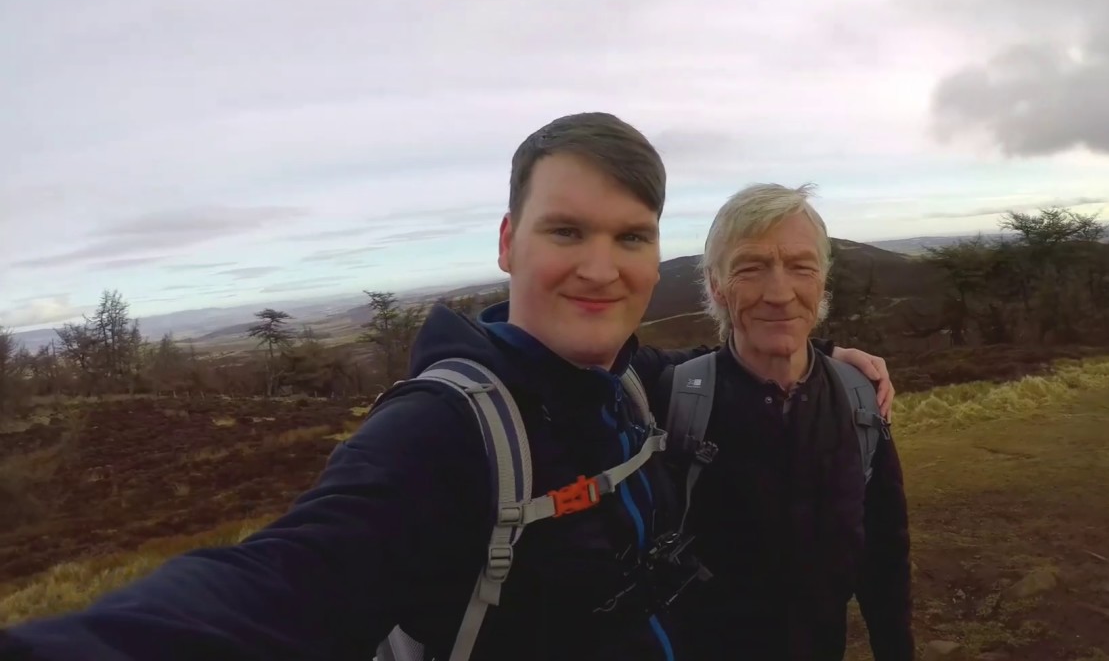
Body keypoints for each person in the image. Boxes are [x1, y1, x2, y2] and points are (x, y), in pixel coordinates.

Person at [0, 113, 892, 661]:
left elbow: (733, 366)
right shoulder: (445, 432)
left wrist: (830, 361)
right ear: (508, 243)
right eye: (566, 231)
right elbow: (277, 584)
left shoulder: (628, 388)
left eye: (629, 238)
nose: (599, 267)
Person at [652, 183, 913, 661]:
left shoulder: (858, 399)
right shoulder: (672, 395)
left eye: (801, 267)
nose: (779, 293)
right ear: (716, 285)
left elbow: (885, 554)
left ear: (822, 282)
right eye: (750, 268)